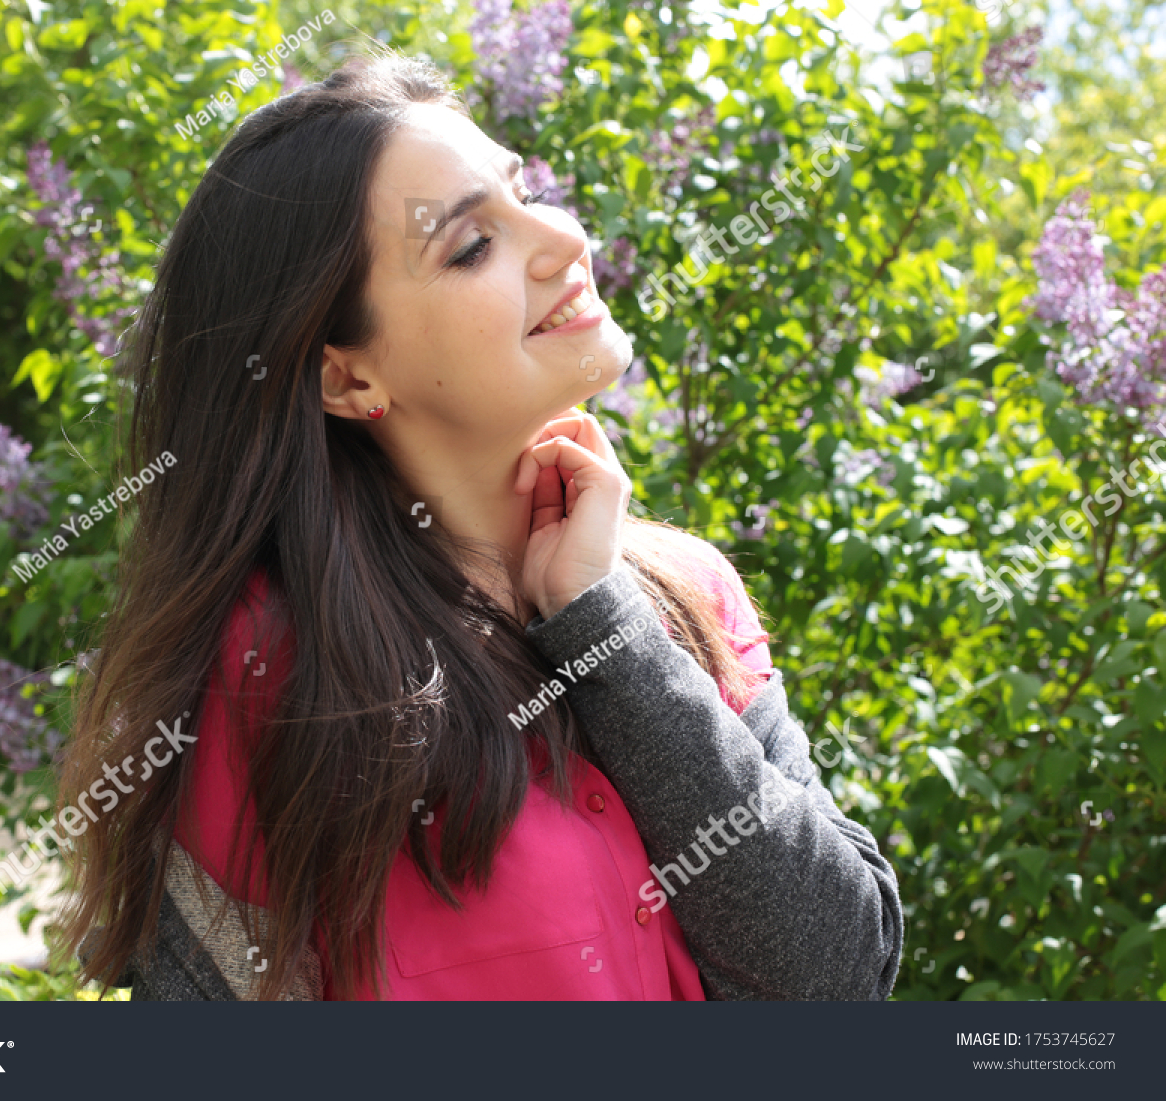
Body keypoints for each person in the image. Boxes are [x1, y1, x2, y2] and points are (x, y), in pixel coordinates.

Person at [57, 48, 903, 1001]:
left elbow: (835, 976)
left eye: (525, 191)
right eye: (471, 246)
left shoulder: (683, 591)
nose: (560, 239)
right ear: (348, 376)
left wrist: (603, 626)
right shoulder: (272, 668)